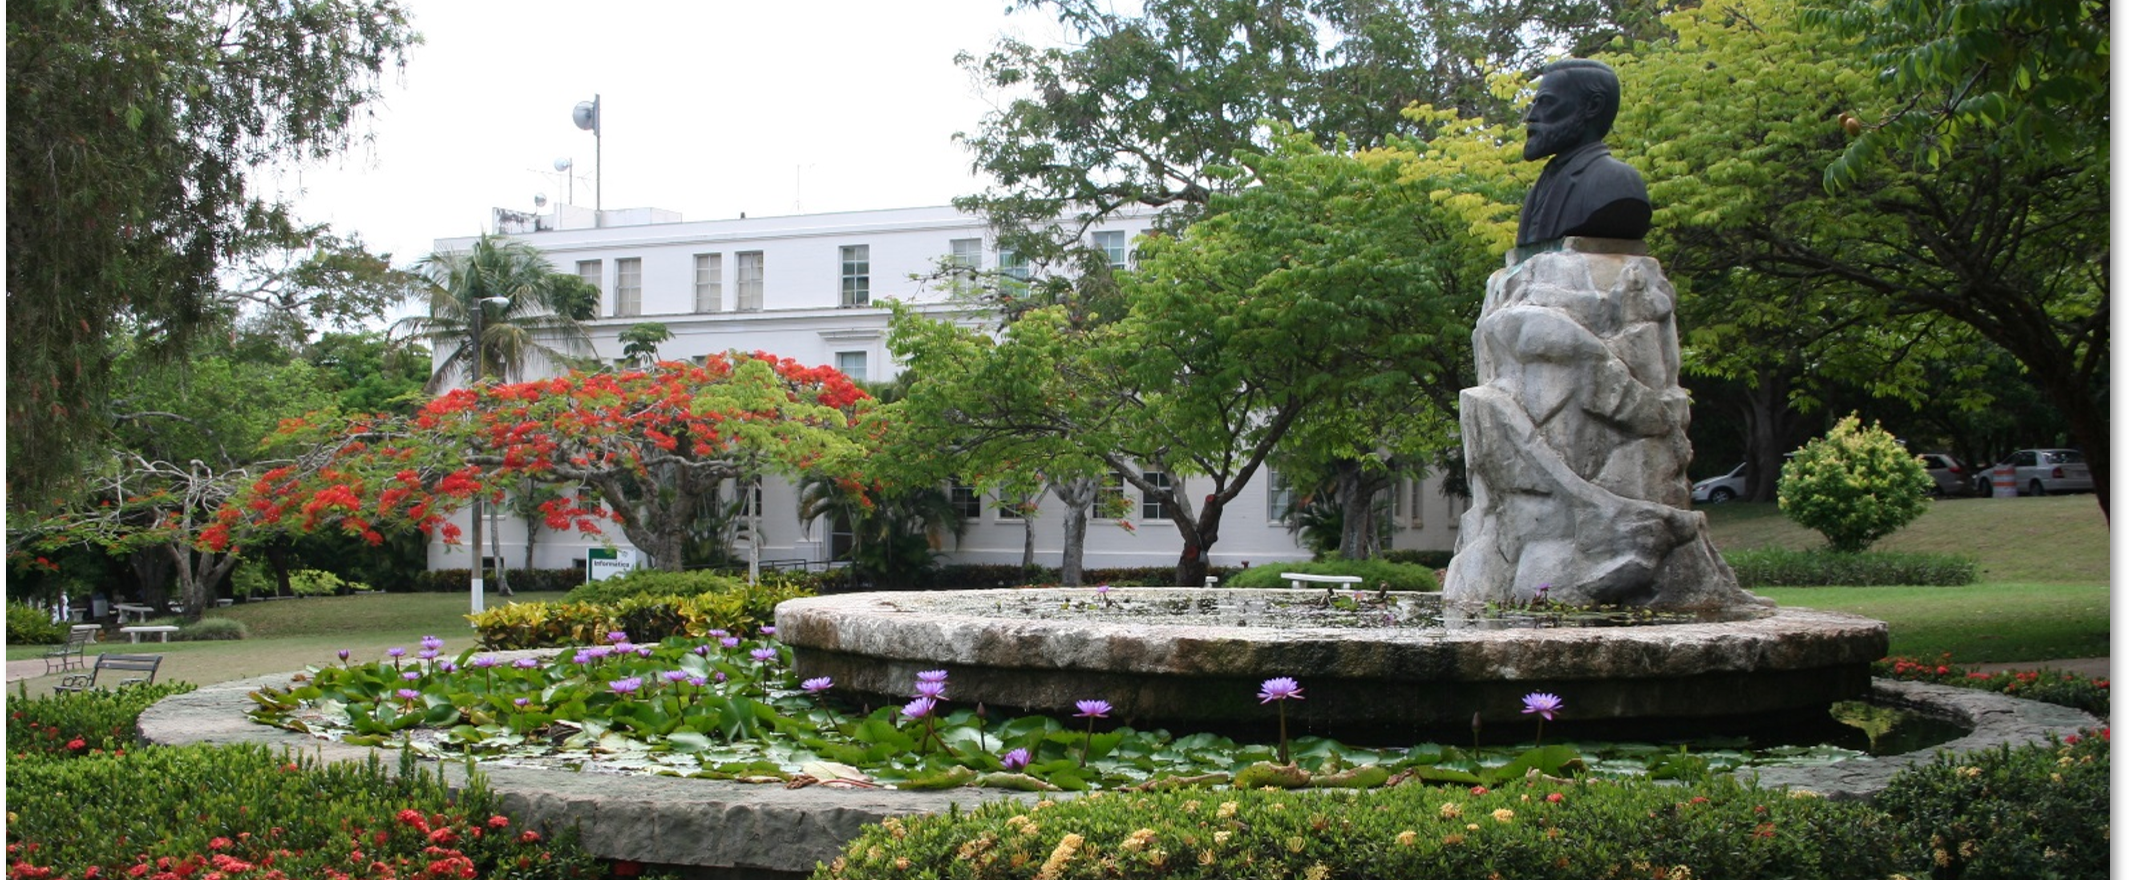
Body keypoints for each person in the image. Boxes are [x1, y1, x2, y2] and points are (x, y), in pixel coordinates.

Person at [1515, 58, 1651, 247]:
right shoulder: (1541, 186)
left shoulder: (1617, 181)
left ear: (1593, 106)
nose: (1531, 116)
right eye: (1535, 103)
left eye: (1547, 103)